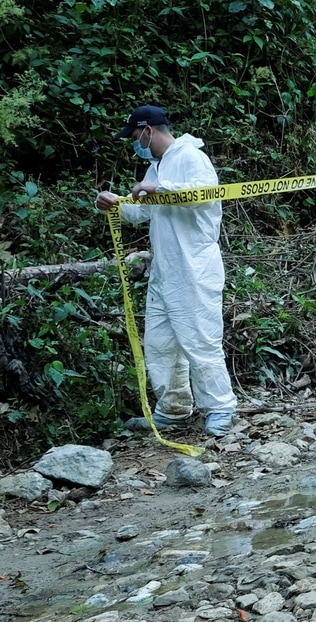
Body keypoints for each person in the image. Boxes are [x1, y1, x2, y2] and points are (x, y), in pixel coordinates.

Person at [94, 105, 237, 437]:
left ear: (148, 131)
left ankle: (221, 408)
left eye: (134, 137)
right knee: (159, 344)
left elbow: (204, 196)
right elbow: (142, 212)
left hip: (194, 268)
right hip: (164, 271)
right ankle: (172, 409)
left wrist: (159, 189)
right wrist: (113, 203)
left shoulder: (191, 157)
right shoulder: (156, 166)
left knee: (200, 340)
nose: (134, 144)